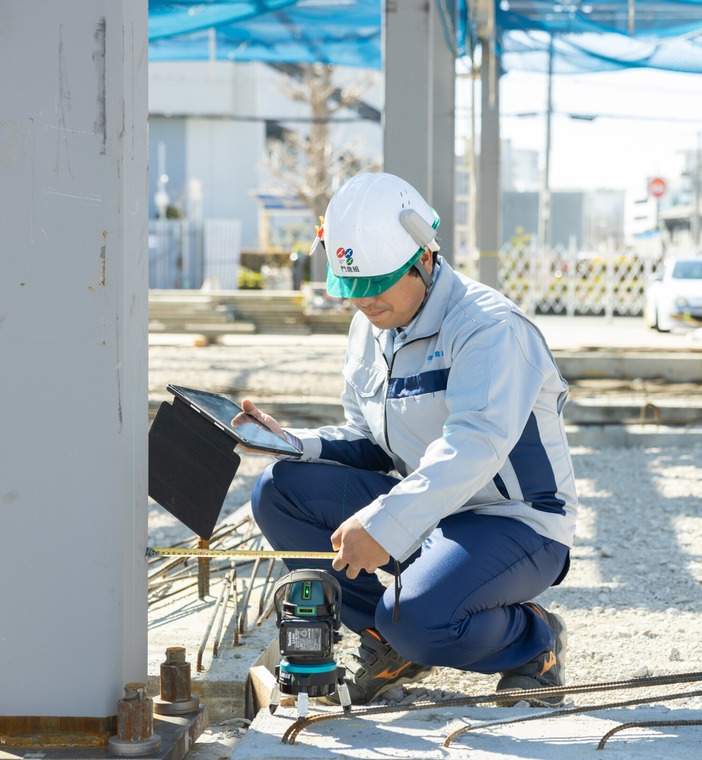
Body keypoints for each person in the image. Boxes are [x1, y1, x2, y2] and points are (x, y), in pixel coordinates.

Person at [234, 172, 578, 707]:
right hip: (432, 512)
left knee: (414, 618)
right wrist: (293, 442)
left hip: (516, 522)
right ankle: (388, 643)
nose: (363, 301)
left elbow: (475, 447)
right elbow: (370, 442)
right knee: (279, 488)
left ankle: (534, 641)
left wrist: (385, 524)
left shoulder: (488, 327)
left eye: (375, 284)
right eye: (352, 288)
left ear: (423, 257)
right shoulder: (372, 328)